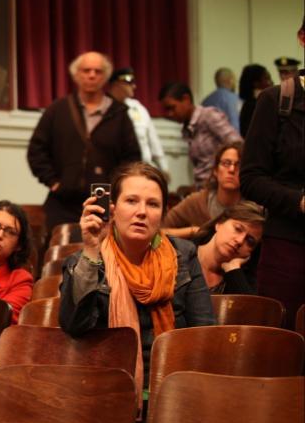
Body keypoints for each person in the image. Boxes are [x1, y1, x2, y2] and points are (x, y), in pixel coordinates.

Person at [59, 162, 215, 396]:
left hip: (171, 389)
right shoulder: (83, 262)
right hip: (102, 388)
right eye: (131, 201)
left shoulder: (183, 255)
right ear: (113, 208)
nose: (141, 211)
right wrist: (92, 250)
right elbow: (74, 326)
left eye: (152, 204)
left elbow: (203, 333)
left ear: (162, 213)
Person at [27, 51, 141, 233]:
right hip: (63, 202)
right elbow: (36, 150)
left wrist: (118, 189)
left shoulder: (119, 114)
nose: (92, 75)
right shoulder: (58, 110)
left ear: (105, 76)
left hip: (105, 203)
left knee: (103, 256)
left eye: (98, 71)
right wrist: (54, 182)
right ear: (76, 74)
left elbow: (132, 158)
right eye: (86, 70)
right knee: (58, 255)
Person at [241, 23, 305, 329]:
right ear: (302, 38)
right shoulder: (277, 100)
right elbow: (251, 177)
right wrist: (299, 201)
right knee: (285, 345)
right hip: (289, 247)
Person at [159, 81, 242, 187]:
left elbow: (237, 145)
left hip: (217, 189)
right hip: (204, 189)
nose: (169, 114)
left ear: (186, 99)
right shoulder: (188, 127)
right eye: (166, 110)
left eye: (172, 108)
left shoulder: (209, 116)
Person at [163, 142, 243, 240]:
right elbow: (158, 230)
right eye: (226, 163)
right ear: (215, 170)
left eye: (238, 165)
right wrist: (193, 231)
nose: (231, 169)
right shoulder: (197, 202)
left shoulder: (251, 208)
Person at [192, 202, 265, 295]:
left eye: (250, 241)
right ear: (219, 224)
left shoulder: (243, 279)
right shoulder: (181, 255)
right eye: (238, 229)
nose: (240, 241)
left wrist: (233, 269)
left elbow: (248, 308)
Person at [107, 67, 169, 174]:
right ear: (116, 83)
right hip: (115, 170)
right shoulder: (105, 108)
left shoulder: (137, 108)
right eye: (129, 82)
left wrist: (163, 167)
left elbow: (152, 139)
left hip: (141, 169)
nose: (134, 86)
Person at [201, 67, 241, 132]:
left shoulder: (205, 101)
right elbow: (235, 125)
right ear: (230, 80)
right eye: (234, 80)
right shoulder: (233, 99)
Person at [237, 63, 273, 137]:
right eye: (267, 78)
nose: (272, 82)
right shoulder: (257, 105)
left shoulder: (249, 104)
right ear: (256, 83)